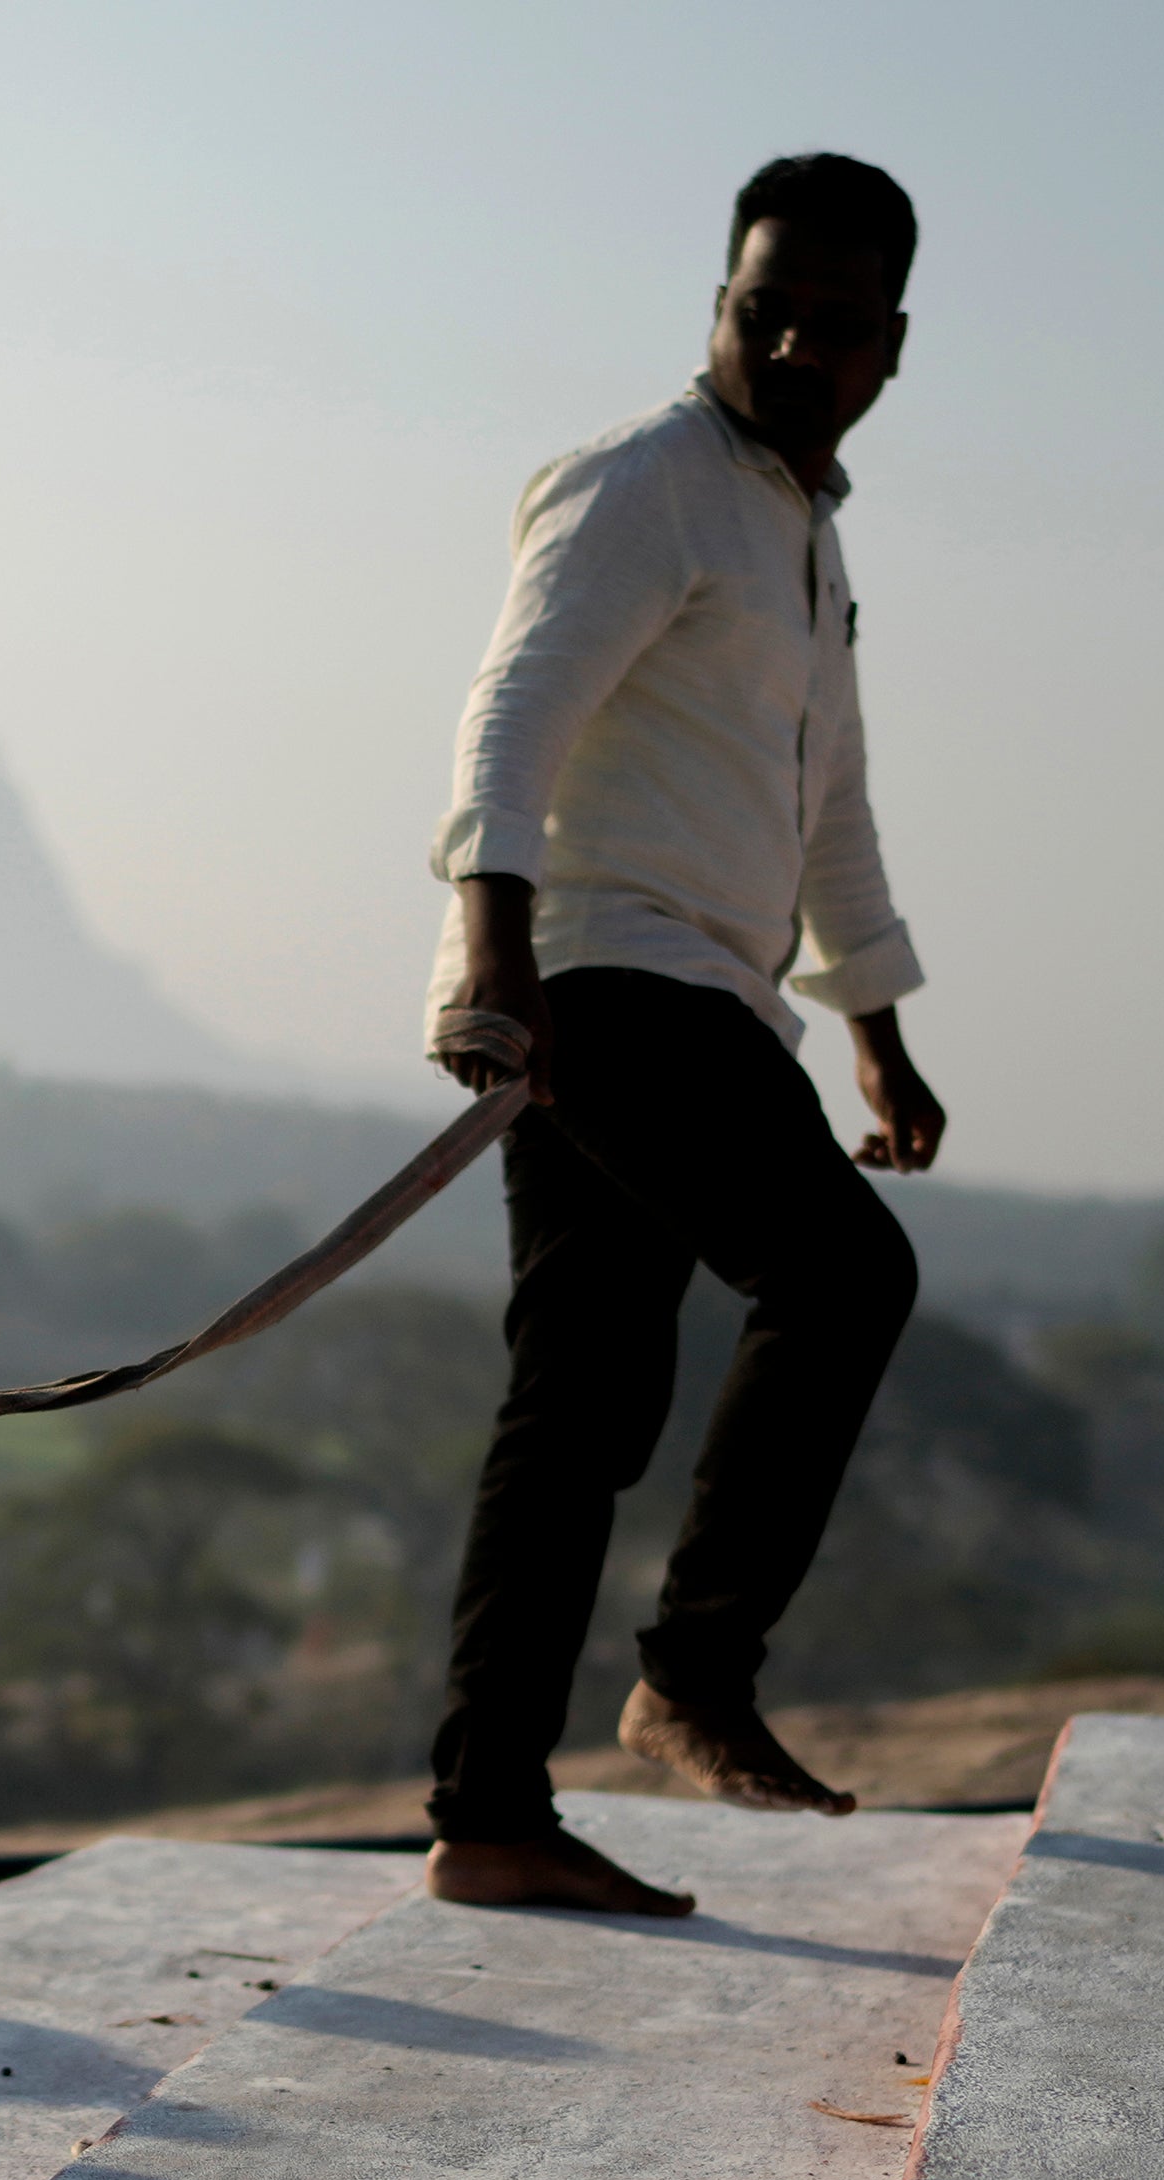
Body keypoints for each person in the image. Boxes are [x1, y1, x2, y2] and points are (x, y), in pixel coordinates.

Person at [420, 154, 944, 1915]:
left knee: (579, 1402)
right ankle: (696, 1673)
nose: (793, 341)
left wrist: (873, 1024)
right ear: (716, 304)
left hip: (704, 989)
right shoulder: (644, 483)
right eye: (758, 307)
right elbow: (516, 708)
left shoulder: (803, 531)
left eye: (833, 323)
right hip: (603, 974)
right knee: (845, 1275)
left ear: (891, 348)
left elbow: (832, 803)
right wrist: (493, 951)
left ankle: (488, 1817)